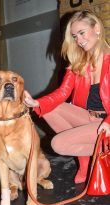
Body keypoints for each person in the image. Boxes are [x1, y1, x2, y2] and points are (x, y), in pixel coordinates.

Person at [24, 10, 110, 184]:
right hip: (90, 118)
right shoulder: (78, 64)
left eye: (81, 33)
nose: (78, 40)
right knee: (48, 108)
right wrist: (36, 102)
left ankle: (100, 152)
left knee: (58, 144)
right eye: (74, 36)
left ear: (97, 29)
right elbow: (62, 93)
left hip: (107, 122)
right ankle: (85, 162)